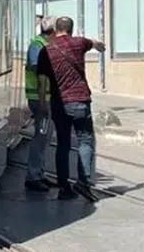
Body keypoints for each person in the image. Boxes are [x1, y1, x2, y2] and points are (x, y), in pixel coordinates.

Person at [36, 16, 106, 201]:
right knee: (85, 141)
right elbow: (93, 43)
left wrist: (43, 104)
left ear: (55, 30)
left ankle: (64, 188)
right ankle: (83, 183)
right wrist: (99, 45)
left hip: (59, 104)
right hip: (80, 100)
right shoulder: (78, 43)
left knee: (63, 144)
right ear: (71, 30)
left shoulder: (46, 51)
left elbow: (42, 81)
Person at [24, 18, 56, 192]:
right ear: (51, 32)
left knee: (44, 137)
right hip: (39, 99)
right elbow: (40, 72)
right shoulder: (38, 45)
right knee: (40, 136)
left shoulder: (44, 44)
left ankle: (40, 173)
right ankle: (33, 176)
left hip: (45, 98)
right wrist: (43, 101)